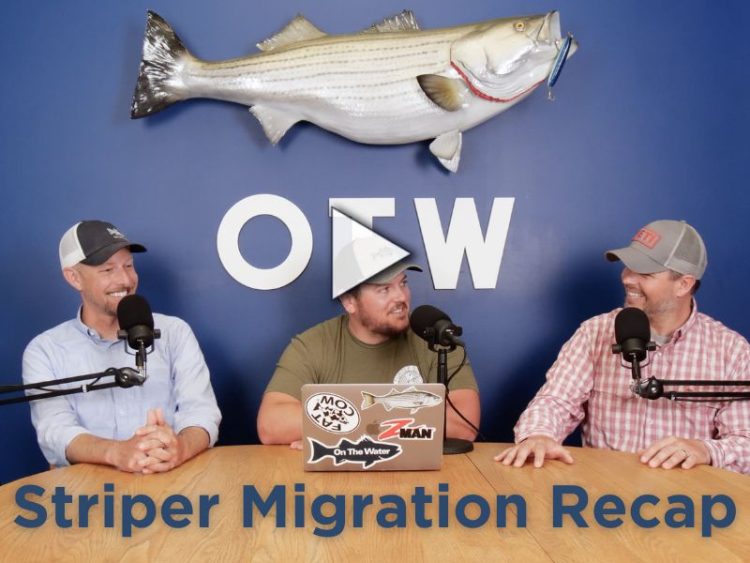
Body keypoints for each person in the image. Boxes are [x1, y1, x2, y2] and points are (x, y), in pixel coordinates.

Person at [495, 220, 750, 474]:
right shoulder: (595, 332)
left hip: (687, 495)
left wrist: (705, 450)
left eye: (645, 274)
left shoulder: (731, 351)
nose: (628, 278)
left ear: (683, 284)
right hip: (604, 492)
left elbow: (745, 442)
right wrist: (539, 435)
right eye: (628, 267)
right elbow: (556, 401)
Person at [23, 220, 221, 473]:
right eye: (108, 270)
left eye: (128, 265)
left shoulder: (174, 332)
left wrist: (180, 448)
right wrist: (119, 452)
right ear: (74, 277)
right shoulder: (45, 350)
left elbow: (201, 411)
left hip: (170, 484)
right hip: (88, 489)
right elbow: (55, 432)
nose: (125, 279)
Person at [257, 262, 480, 445]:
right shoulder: (311, 345)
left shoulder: (438, 339)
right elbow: (270, 424)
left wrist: (334, 433)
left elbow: (464, 425)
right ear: (349, 301)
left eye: (403, 283)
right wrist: (387, 426)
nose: (401, 297)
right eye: (384, 289)